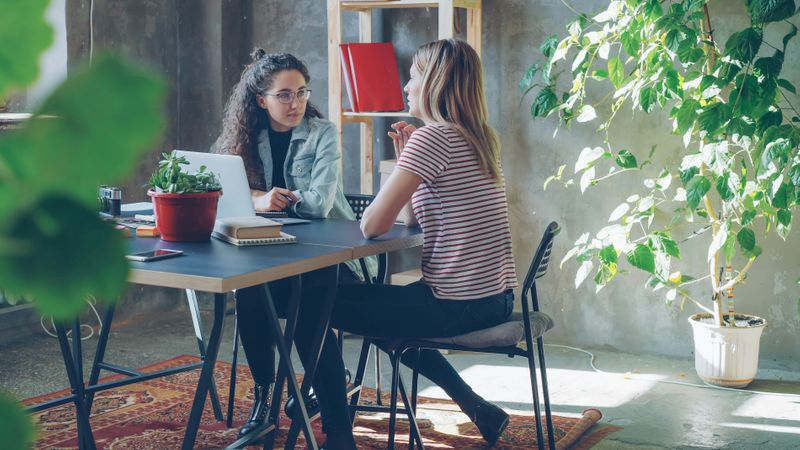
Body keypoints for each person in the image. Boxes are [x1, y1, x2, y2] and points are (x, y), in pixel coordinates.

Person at [300, 38, 516, 449]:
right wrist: (407, 167)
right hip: (494, 298)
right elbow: (411, 219)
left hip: (456, 305)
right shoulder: (479, 137)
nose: (407, 85)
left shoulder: (432, 138)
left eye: (414, 75)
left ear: (434, 82)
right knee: (374, 312)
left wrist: (407, 163)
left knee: (311, 305)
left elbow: (373, 225)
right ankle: (478, 409)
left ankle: (337, 434)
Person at [212, 49, 375, 438]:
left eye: (301, 92)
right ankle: (265, 399)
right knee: (250, 290)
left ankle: (332, 419)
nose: (295, 103)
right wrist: (258, 199)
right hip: (276, 256)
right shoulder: (246, 138)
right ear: (260, 100)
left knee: (304, 301)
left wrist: (267, 197)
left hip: (332, 261)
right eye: (284, 95)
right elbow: (224, 193)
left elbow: (318, 205)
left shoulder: (322, 133)